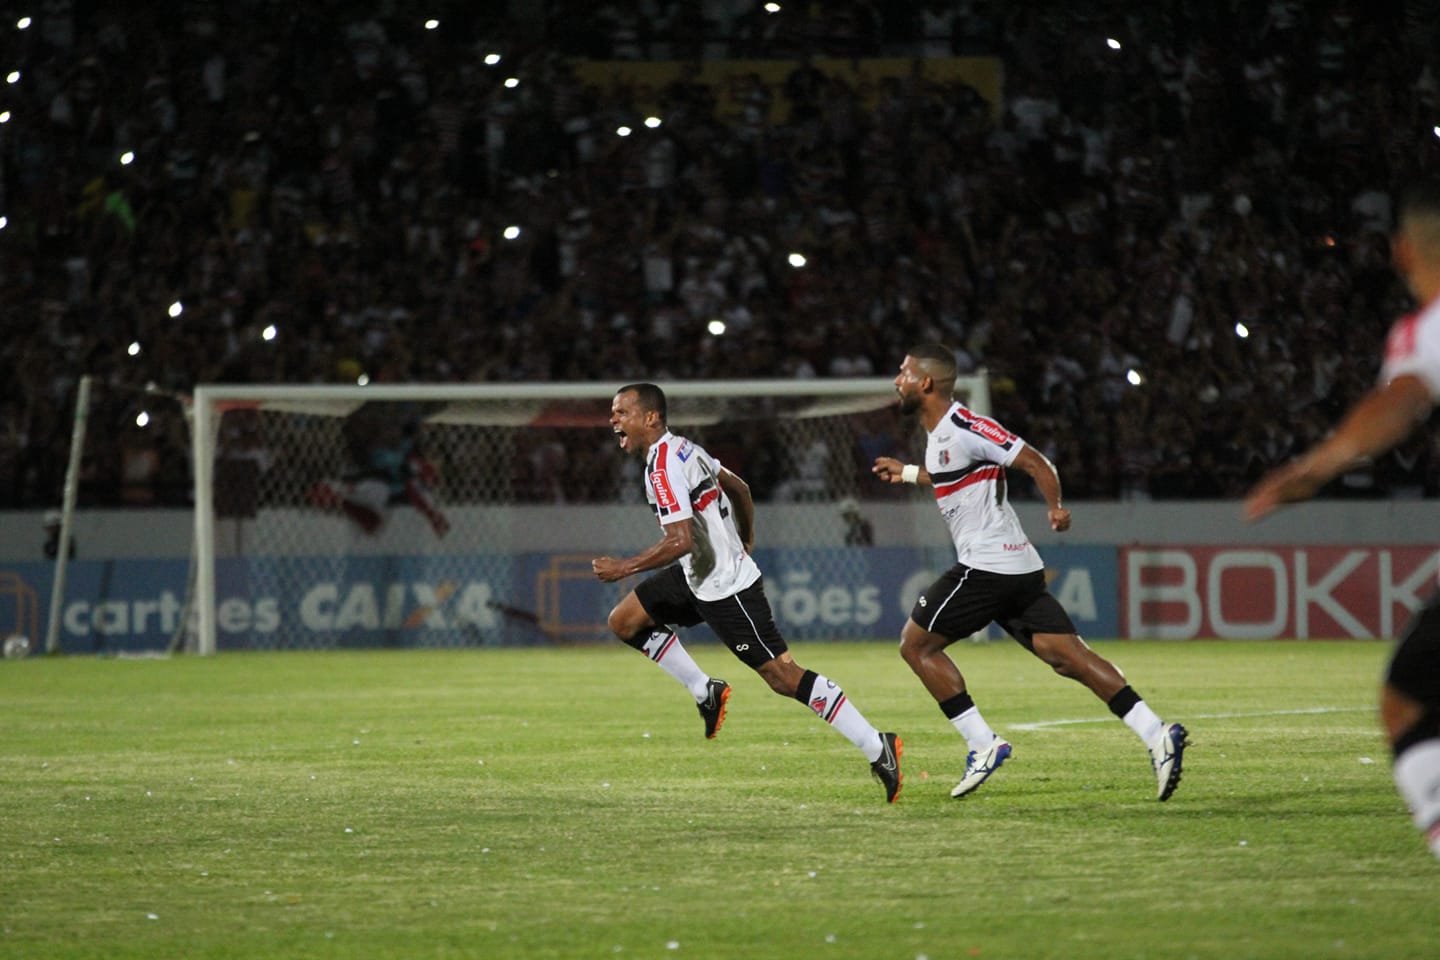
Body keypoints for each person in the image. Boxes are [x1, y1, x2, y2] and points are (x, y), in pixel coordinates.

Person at [873, 344, 1188, 800]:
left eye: (903, 373)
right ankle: (1157, 733)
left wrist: (1055, 507)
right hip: (1016, 568)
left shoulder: (966, 425)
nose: (896, 381)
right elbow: (951, 476)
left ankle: (983, 744)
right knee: (1068, 656)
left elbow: (1035, 461)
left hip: (988, 565)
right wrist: (906, 474)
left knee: (916, 646)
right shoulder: (941, 434)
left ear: (926, 383)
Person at [1245, 179, 1440, 859]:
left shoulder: (1428, 327)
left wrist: (1316, 467)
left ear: (1402, 253)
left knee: (1408, 703)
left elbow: (1404, 397)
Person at [592, 382, 904, 802]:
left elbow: (680, 539)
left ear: (650, 417)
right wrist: (747, 533)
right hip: (696, 575)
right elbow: (740, 488)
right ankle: (706, 691)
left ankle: (876, 745)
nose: (614, 421)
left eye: (621, 413)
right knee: (625, 621)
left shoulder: (662, 466)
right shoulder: (684, 448)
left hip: (727, 588)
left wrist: (623, 567)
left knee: (783, 677)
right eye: (613, 414)